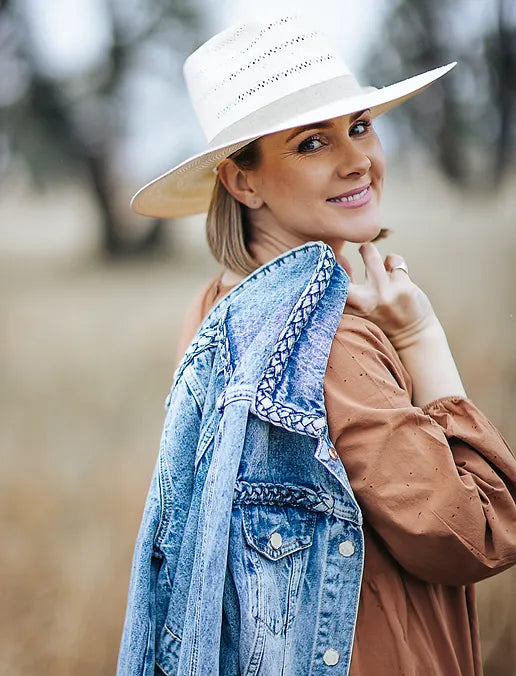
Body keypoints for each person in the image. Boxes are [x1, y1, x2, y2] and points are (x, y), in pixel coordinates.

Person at [118, 14, 516, 676]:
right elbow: (478, 531)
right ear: (241, 182)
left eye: (359, 126)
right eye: (310, 143)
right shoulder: (325, 341)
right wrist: (420, 337)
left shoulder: (218, 304)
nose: (357, 158)